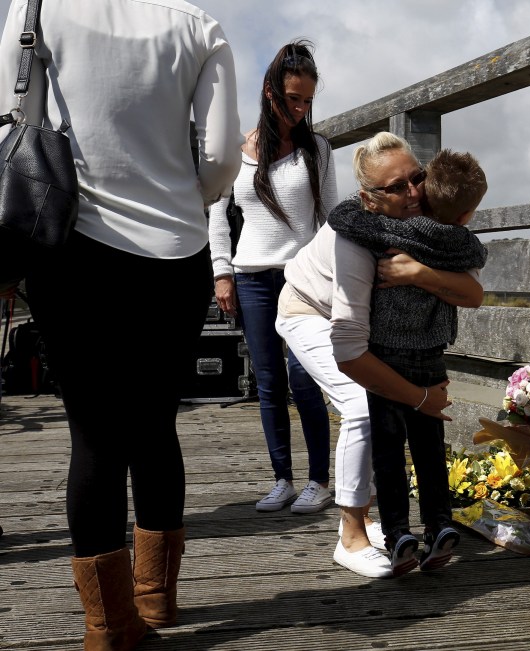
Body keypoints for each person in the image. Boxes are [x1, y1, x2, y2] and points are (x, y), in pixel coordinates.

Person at [0, 1, 242, 648]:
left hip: (71, 248)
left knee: (95, 435)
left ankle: (108, 626)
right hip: (174, 254)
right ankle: (156, 598)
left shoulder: (37, 7)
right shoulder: (197, 25)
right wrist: (175, 199)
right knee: (156, 423)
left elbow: (11, 118)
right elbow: (220, 158)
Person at [275, 133, 483, 579]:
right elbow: (349, 354)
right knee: (361, 408)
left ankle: (411, 525)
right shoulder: (354, 239)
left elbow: (471, 290)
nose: (413, 193)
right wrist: (421, 398)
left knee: (400, 423)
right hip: (310, 307)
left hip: (376, 328)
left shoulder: (427, 214)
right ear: (369, 200)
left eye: (417, 177)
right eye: (396, 187)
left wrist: (420, 272)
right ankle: (351, 535)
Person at [208, 41, 336, 515]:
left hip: (303, 281)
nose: (300, 110)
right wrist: (222, 273)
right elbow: (218, 216)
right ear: (269, 92)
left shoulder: (317, 150)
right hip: (252, 280)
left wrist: (331, 281)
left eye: (307, 101)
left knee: (306, 379)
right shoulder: (238, 151)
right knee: (268, 381)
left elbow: (328, 222)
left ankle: (318, 480)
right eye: (292, 99)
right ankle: (281, 478)